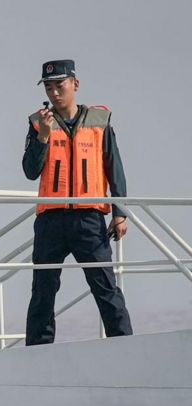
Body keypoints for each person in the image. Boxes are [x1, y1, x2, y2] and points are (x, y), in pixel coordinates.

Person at [22, 59, 133, 345]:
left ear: (75, 84)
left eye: (60, 85)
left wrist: (119, 212)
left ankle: (125, 347)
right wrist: (43, 139)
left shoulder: (99, 122)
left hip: (89, 219)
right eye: (49, 87)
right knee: (43, 291)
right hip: (50, 220)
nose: (55, 93)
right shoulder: (38, 123)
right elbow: (30, 171)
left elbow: (114, 167)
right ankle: (37, 352)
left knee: (106, 288)